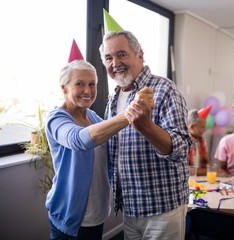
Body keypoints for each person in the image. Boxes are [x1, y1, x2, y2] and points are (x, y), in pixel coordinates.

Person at [45, 40, 154, 240]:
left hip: (97, 213)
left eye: (92, 84)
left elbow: (113, 142)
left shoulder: (93, 117)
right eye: (79, 84)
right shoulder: (56, 118)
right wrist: (130, 112)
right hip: (71, 217)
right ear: (64, 88)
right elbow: (80, 139)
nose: (87, 90)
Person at [99, 21, 192, 239]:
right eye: (109, 58)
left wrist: (147, 127)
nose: (115, 63)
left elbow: (181, 149)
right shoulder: (113, 100)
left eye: (122, 54)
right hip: (130, 206)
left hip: (163, 206)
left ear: (140, 55)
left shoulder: (165, 89)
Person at [187, 106, 212, 176]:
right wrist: (209, 171)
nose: (205, 130)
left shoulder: (201, 138)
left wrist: (210, 167)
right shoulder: (184, 141)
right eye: (202, 127)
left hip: (202, 178)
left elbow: (207, 161)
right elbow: (187, 170)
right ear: (192, 127)